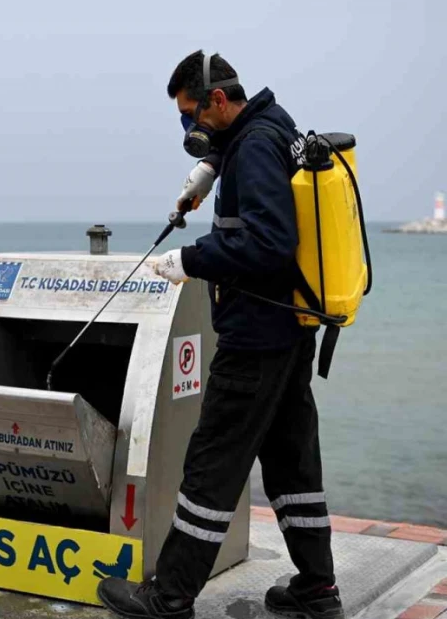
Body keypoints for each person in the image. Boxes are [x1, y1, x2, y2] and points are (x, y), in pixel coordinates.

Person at [96, 50, 343, 619]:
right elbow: (251, 165)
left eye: (191, 116)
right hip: (288, 331)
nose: (188, 129)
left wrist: (190, 259)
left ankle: (170, 595)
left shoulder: (254, 147)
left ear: (217, 101)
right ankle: (318, 590)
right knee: (291, 462)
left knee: (211, 465)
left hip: (255, 338)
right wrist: (205, 176)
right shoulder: (269, 126)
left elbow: (268, 244)